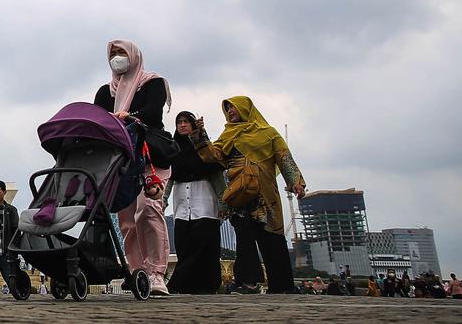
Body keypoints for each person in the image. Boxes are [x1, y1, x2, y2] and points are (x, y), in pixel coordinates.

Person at [191, 96, 305, 294]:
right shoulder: (229, 134)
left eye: (233, 108)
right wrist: (200, 135)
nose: (230, 112)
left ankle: (282, 285)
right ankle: (248, 282)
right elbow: (213, 155)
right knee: (244, 237)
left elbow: (285, 159)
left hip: (265, 194)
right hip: (240, 193)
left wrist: (296, 183)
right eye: (228, 110)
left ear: (246, 109)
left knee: (272, 238)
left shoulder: (269, 133)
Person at [93, 39, 172, 296]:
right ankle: (137, 272)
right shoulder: (106, 93)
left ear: (134, 55)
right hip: (120, 160)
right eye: (113, 53)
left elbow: (153, 112)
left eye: (121, 52)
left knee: (149, 209)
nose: (117, 57)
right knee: (126, 219)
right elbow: (97, 120)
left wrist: (129, 115)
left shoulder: (153, 83)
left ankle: (157, 272)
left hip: (148, 156)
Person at [165, 111, 225, 295]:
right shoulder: (173, 149)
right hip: (182, 202)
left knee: (203, 245)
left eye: (186, 122)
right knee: (183, 244)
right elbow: (169, 178)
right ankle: (188, 285)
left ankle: (188, 284)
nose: (182, 125)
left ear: (193, 124)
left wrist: (223, 202)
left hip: (204, 200)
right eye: (178, 122)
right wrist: (162, 200)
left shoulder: (204, 148)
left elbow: (215, 173)